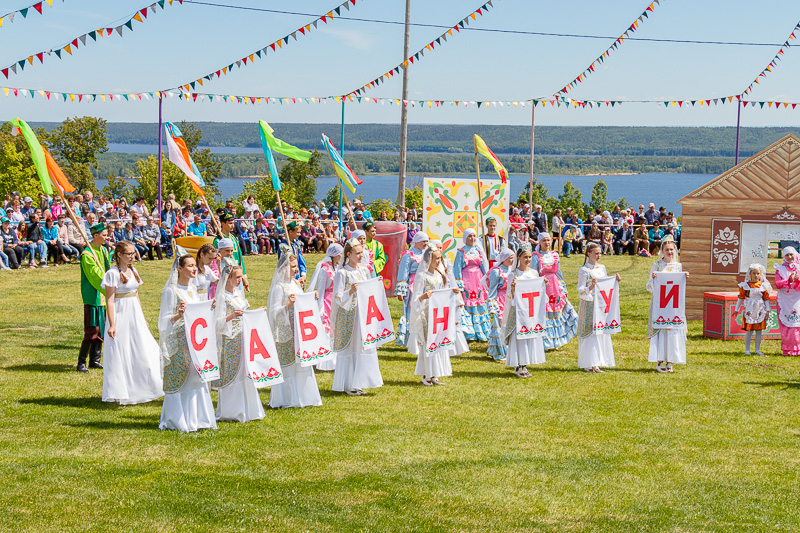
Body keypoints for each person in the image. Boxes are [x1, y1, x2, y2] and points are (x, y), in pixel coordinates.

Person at [158, 253, 217, 432]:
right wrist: (178, 315)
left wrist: (209, 307)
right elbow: (163, 321)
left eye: (194, 265)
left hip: (195, 341)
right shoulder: (171, 291)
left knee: (195, 377)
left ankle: (198, 418)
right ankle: (178, 419)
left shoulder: (192, 289)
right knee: (180, 378)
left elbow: (198, 314)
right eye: (189, 266)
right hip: (178, 341)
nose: (193, 269)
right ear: (180, 269)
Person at [101, 241, 163, 404]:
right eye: (129, 254)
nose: (132, 257)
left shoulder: (133, 271)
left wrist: (142, 318)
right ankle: (123, 389)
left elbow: (136, 295)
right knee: (123, 350)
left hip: (134, 313)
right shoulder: (112, 274)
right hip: (121, 314)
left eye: (133, 253)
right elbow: (110, 299)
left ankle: (146, 385)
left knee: (144, 348)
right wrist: (112, 324)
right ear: (119, 255)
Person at [209, 261, 266, 422]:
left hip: (243, 336)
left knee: (245, 372)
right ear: (228, 278)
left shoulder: (238, 294)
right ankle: (232, 410)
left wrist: (257, 311)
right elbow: (216, 322)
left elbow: (245, 313)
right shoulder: (221, 297)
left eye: (241, 277)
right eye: (237, 277)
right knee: (232, 373)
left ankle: (249, 409)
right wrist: (232, 316)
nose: (240, 280)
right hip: (229, 339)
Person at [268, 250, 323, 408]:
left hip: (300, 329)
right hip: (285, 331)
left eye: (297, 266)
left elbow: (302, 303)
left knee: (302, 363)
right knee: (289, 364)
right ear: (284, 268)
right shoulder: (279, 287)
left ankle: (306, 397)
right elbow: (273, 312)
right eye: (293, 266)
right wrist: (288, 306)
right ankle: (288, 399)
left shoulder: (296, 284)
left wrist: (311, 298)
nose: (296, 269)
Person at [330, 239, 383, 396]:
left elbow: (367, 290)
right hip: (349, 316)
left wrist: (376, 283)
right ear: (348, 254)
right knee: (351, 348)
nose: (361, 256)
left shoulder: (363, 271)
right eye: (357, 253)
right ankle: (349, 384)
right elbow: (338, 297)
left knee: (361, 348)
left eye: (362, 253)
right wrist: (350, 292)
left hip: (363, 315)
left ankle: (359, 381)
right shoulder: (342, 273)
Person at [408, 242, 465, 385]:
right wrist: (423, 297)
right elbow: (415, 298)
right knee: (428, 342)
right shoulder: (422, 276)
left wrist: (453, 292)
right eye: (436, 258)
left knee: (437, 341)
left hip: (438, 313)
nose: (438, 261)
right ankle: (426, 374)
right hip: (427, 314)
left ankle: (435, 374)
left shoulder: (440, 275)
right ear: (428, 259)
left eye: (440, 258)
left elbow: (442, 293)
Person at [503, 243, 547, 378]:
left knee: (529, 336)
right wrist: (513, 289)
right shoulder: (513, 274)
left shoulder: (534, 273)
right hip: (519, 310)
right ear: (519, 257)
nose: (528, 260)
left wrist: (543, 284)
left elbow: (537, 292)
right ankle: (518, 365)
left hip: (531, 310)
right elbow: (509, 296)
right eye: (525, 257)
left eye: (530, 257)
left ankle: (525, 364)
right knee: (519, 338)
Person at [577, 243, 621, 373]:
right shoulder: (584, 270)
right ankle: (588, 362)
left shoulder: (602, 268)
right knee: (590, 333)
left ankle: (597, 362)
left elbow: (606, 285)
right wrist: (590, 287)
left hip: (601, 304)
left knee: (600, 333)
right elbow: (580, 290)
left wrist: (615, 280)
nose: (598, 255)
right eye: (596, 253)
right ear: (588, 254)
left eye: (600, 253)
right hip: (589, 304)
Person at [646, 238, 687, 373]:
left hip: (674, 305)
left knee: (672, 331)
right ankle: (659, 360)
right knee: (661, 331)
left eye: (671, 249)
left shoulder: (678, 266)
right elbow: (649, 286)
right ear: (662, 251)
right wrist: (653, 279)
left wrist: (684, 277)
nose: (669, 252)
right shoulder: (656, 265)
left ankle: (671, 361)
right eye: (667, 250)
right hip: (660, 304)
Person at [532, 233, 579, 350]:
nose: (547, 243)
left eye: (548, 240)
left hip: (555, 286)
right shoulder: (536, 256)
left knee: (556, 310)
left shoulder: (555, 255)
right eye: (544, 241)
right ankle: (546, 341)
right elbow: (533, 273)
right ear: (539, 242)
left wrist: (563, 287)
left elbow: (559, 272)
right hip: (543, 286)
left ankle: (556, 339)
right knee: (545, 311)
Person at [77, 223, 111, 373]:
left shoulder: (103, 249)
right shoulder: (87, 254)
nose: (107, 237)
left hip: (104, 296)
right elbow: (95, 276)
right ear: (96, 236)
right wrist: (108, 287)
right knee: (92, 330)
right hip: (93, 295)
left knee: (101, 330)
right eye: (104, 235)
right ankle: (81, 362)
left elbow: (108, 269)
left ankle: (95, 360)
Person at [453, 228, 491, 342]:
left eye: (474, 236)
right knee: (468, 303)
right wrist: (459, 282)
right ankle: (469, 332)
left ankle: (482, 330)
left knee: (480, 303)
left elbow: (483, 266)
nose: (472, 238)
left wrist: (487, 279)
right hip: (467, 281)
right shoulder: (461, 252)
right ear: (465, 238)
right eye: (470, 236)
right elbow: (457, 268)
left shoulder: (479, 251)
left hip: (478, 281)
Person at [395, 232, 429, 347]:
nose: (425, 243)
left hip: (425, 284)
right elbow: (403, 273)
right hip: (413, 285)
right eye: (423, 241)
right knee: (412, 309)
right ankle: (410, 339)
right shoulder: (408, 255)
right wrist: (401, 291)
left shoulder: (427, 253)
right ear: (416, 241)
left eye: (426, 241)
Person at [735, 263, 772, 356]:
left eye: (758, 273)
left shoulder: (763, 286)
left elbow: (766, 298)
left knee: (759, 331)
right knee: (749, 330)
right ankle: (747, 349)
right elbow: (741, 297)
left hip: (760, 309)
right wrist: (736, 309)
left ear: (761, 274)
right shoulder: (745, 286)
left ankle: (757, 350)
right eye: (754, 273)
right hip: (750, 309)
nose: (756, 276)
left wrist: (767, 310)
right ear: (750, 274)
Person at [485, 248, 515, 361]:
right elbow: (492, 290)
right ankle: (498, 351)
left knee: (509, 324)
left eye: (513, 257)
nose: (512, 260)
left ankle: (508, 349)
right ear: (503, 258)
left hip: (510, 299)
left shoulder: (512, 270)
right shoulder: (497, 271)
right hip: (500, 299)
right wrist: (492, 304)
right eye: (510, 258)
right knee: (499, 326)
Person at [773, 246, 800, 356]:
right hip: (785, 300)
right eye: (787, 255)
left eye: (791, 254)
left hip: (797, 299)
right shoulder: (780, 269)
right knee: (787, 324)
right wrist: (788, 280)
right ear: (784, 257)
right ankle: (788, 348)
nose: (789, 257)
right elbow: (777, 284)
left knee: (797, 323)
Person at [213, 213, 249, 291]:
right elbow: (215, 261)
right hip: (226, 274)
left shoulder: (234, 238)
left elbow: (240, 258)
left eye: (233, 223)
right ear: (223, 223)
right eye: (230, 223)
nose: (233, 225)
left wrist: (243, 275)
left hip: (237, 273)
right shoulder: (218, 240)